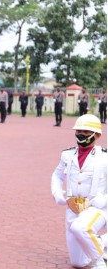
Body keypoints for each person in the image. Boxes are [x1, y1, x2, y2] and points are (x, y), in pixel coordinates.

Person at [51, 114, 107, 269]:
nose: (82, 135)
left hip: (96, 207)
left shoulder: (104, 157)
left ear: (97, 135)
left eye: (87, 132)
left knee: (80, 227)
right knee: (78, 262)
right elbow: (57, 175)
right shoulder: (67, 155)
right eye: (79, 131)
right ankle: (104, 243)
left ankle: (99, 262)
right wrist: (57, 193)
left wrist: (104, 199)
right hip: (73, 208)